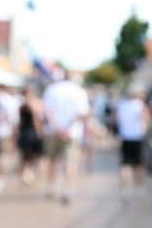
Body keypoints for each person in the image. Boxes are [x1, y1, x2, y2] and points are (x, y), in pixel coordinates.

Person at [42, 73, 90, 205]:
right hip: (72, 133)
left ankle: (51, 187)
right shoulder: (79, 91)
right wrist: (67, 128)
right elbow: (82, 113)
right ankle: (67, 190)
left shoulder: (51, 90)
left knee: (53, 160)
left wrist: (58, 128)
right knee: (71, 162)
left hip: (53, 131)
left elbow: (47, 111)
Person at [115, 82, 151, 198]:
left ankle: (124, 189)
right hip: (137, 137)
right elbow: (146, 121)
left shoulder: (122, 105)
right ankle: (139, 187)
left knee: (125, 165)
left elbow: (117, 120)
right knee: (139, 164)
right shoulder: (140, 105)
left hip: (125, 137)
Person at [17, 86, 43, 185]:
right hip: (30, 133)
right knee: (31, 156)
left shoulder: (22, 105)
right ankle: (28, 175)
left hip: (25, 132)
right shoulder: (32, 105)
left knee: (25, 157)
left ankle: (25, 175)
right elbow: (37, 120)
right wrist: (39, 132)